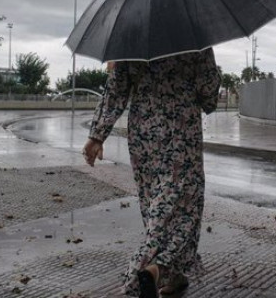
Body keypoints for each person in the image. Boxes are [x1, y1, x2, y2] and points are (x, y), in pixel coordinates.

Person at [82, 48, 221, 297]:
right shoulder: (193, 35)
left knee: (155, 204)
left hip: (143, 132)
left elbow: (115, 91)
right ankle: (149, 269)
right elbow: (208, 94)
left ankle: (174, 276)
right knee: (184, 208)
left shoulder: (129, 37)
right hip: (181, 129)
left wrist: (97, 135)